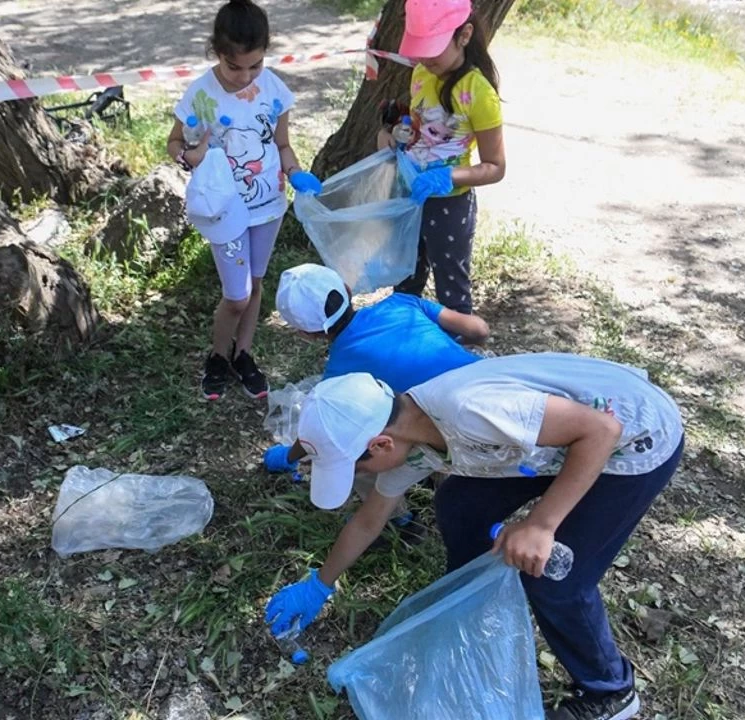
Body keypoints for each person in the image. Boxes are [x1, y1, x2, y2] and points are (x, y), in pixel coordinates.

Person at [265, 353, 685, 720]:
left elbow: (601, 431)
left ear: (379, 444)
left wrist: (541, 525)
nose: (360, 476)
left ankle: (610, 691)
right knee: (459, 505)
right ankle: (469, 603)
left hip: (631, 442)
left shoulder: (471, 411)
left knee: (555, 579)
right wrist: (319, 585)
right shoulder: (410, 433)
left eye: (355, 467)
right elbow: (369, 520)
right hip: (555, 443)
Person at [263, 263, 489, 539]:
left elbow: (324, 432)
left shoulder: (340, 374)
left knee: (351, 444)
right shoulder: (401, 303)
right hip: (488, 396)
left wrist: (289, 456)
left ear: (305, 334)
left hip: (451, 433)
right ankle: (440, 476)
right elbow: (479, 331)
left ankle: (398, 519)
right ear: (346, 290)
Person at [166, 0, 321, 401]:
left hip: (268, 205)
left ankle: (244, 354)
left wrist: (296, 172)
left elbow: (283, 145)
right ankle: (217, 355)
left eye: (256, 65)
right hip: (225, 211)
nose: (246, 76)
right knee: (235, 295)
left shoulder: (274, 89)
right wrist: (189, 156)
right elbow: (175, 142)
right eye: (236, 67)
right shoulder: (202, 93)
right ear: (217, 52)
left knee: (254, 284)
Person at [381, 0, 506, 315]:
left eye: (433, 47)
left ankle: (459, 351)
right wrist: (398, 132)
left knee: (451, 285)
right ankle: (405, 336)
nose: (424, 57)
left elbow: (496, 167)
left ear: (464, 35)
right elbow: (419, 120)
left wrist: (449, 176)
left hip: (450, 204)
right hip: (411, 194)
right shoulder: (422, 72)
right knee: (406, 276)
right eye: (420, 47)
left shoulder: (479, 94)